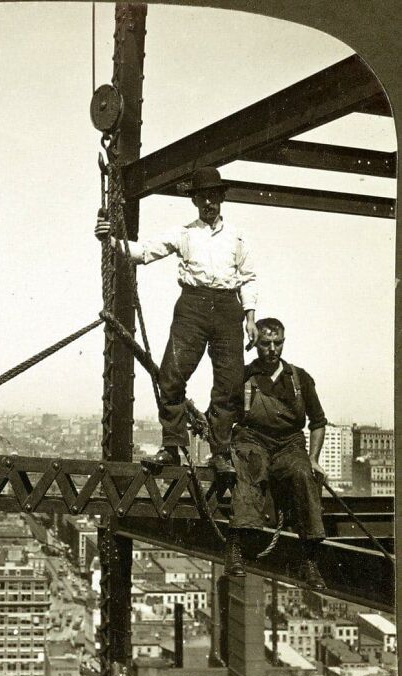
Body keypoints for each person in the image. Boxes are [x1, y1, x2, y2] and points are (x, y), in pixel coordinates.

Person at [94, 166, 258, 474]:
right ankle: (171, 446)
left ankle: (221, 452)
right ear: (194, 201)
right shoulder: (184, 234)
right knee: (171, 375)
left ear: (221, 198)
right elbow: (143, 252)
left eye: (212, 197)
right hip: (192, 307)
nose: (208, 203)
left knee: (229, 383)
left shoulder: (238, 237)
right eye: (202, 198)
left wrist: (250, 317)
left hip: (227, 308)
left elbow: (248, 278)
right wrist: (111, 240)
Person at [226, 317, 328, 589]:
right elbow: (224, 414)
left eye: (277, 343)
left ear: (283, 342)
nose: (272, 349)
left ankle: (310, 560)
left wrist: (314, 459)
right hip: (252, 439)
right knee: (250, 468)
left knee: (302, 473)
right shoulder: (244, 376)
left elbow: (318, 422)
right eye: (265, 343)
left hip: (289, 444)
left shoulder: (299, 378)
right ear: (255, 344)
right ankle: (235, 548)